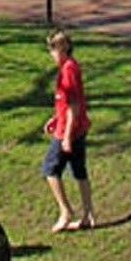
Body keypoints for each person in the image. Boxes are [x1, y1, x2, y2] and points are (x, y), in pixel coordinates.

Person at [41, 29, 94, 232]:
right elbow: (66, 102)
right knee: (79, 171)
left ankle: (65, 211)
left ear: (63, 49)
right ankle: (88, 214)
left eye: (53, 50)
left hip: (69, 131)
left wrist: (66, 136)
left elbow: (73, 106)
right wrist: (56, 118)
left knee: (50, 169)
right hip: (76, 128)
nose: (52, 55)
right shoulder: (70, 67)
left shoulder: (68, 71)